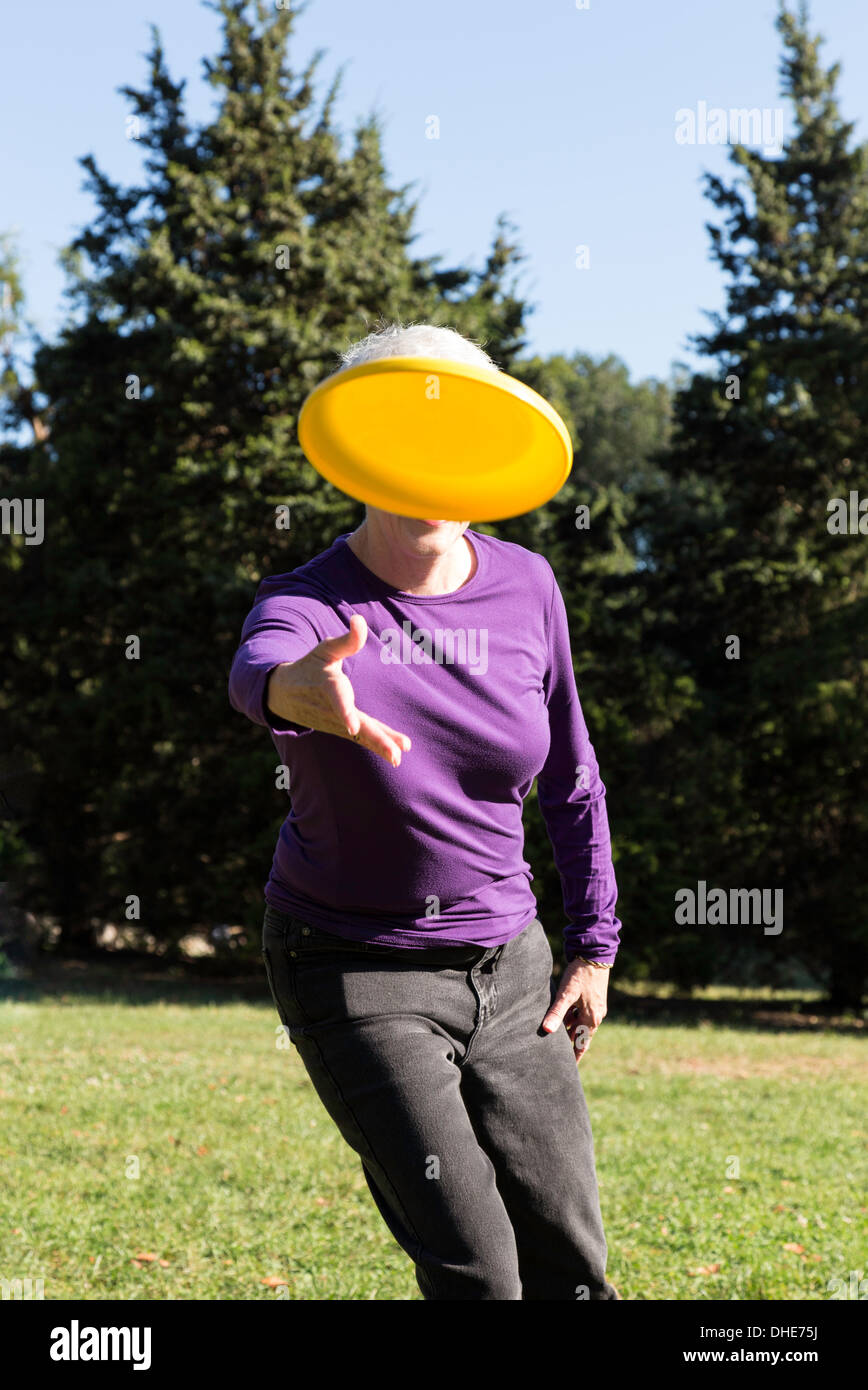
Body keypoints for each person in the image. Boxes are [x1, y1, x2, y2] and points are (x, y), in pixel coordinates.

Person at [228, 321, 623, 1300]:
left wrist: (594, 946)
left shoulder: (528, 585)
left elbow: (572, 773)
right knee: (480, 1274)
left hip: (514, 964)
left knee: (572, 1270)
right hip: (358, 969)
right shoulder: (312, 602)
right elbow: (259, 663)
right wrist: (296, 694)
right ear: (363, 447)